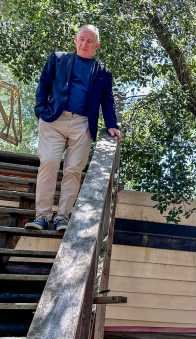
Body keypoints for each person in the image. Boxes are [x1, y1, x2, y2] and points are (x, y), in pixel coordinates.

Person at [25, 24, 122, 232]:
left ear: (98, 45)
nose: (85, 43)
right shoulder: (58, 59)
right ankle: (41, 216)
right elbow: (43, 84)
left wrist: (112, 125)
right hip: (53, 120)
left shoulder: (103, 71)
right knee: (49, 163)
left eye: (90, 41)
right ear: (75, 40)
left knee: (73, 170)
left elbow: (107, 100)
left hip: (83, 124)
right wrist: (40, 109)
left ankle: (62, 217)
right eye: (82, 39)